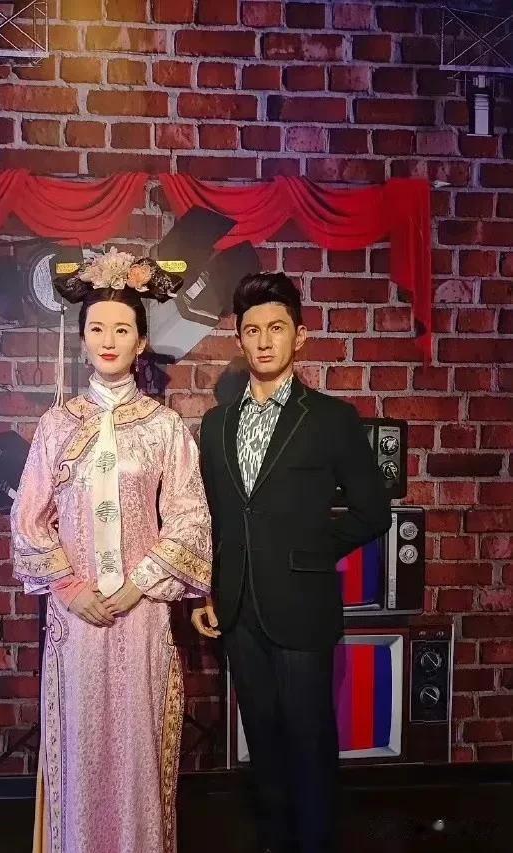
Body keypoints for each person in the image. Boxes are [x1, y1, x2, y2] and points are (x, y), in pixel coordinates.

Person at [11, 249, 212, 853]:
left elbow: (190, 519)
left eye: (122, 329)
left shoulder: (164, 427)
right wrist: (70, 589)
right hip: (75, 618)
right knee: (79, 745)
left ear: (141, 341)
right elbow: (29, 520)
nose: (108, 340)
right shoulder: (57, 426)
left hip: (141, 613)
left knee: (137, 747)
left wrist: (136, 585)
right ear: (82, 340)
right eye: (97, 328)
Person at [193, 272, 392, 853]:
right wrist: (209, 588)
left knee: (309, 739)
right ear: (239, 339)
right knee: (262, 741)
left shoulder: (331, 418)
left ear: (299, 336)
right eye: (252, 330)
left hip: (303, 605)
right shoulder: (216, 424)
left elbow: (373, 511)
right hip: (237, 607)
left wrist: (307, 552)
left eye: (276, 328)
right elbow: (213, 516)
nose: (263, 340)